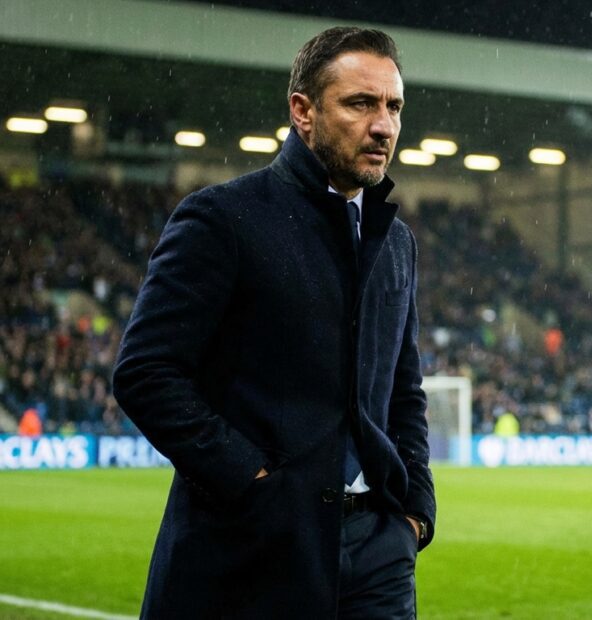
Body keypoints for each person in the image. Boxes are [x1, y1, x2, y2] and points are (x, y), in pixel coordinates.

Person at [113, 27, 435, 619]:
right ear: (303, 112)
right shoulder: (222, 219)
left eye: (393, 106)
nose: (384, 125)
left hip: (377, 553)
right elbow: (145, 372)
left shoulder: (396, 244)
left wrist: (414, 511)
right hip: (250, 547)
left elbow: (403, 390)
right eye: (360, 103)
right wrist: (256, 482)